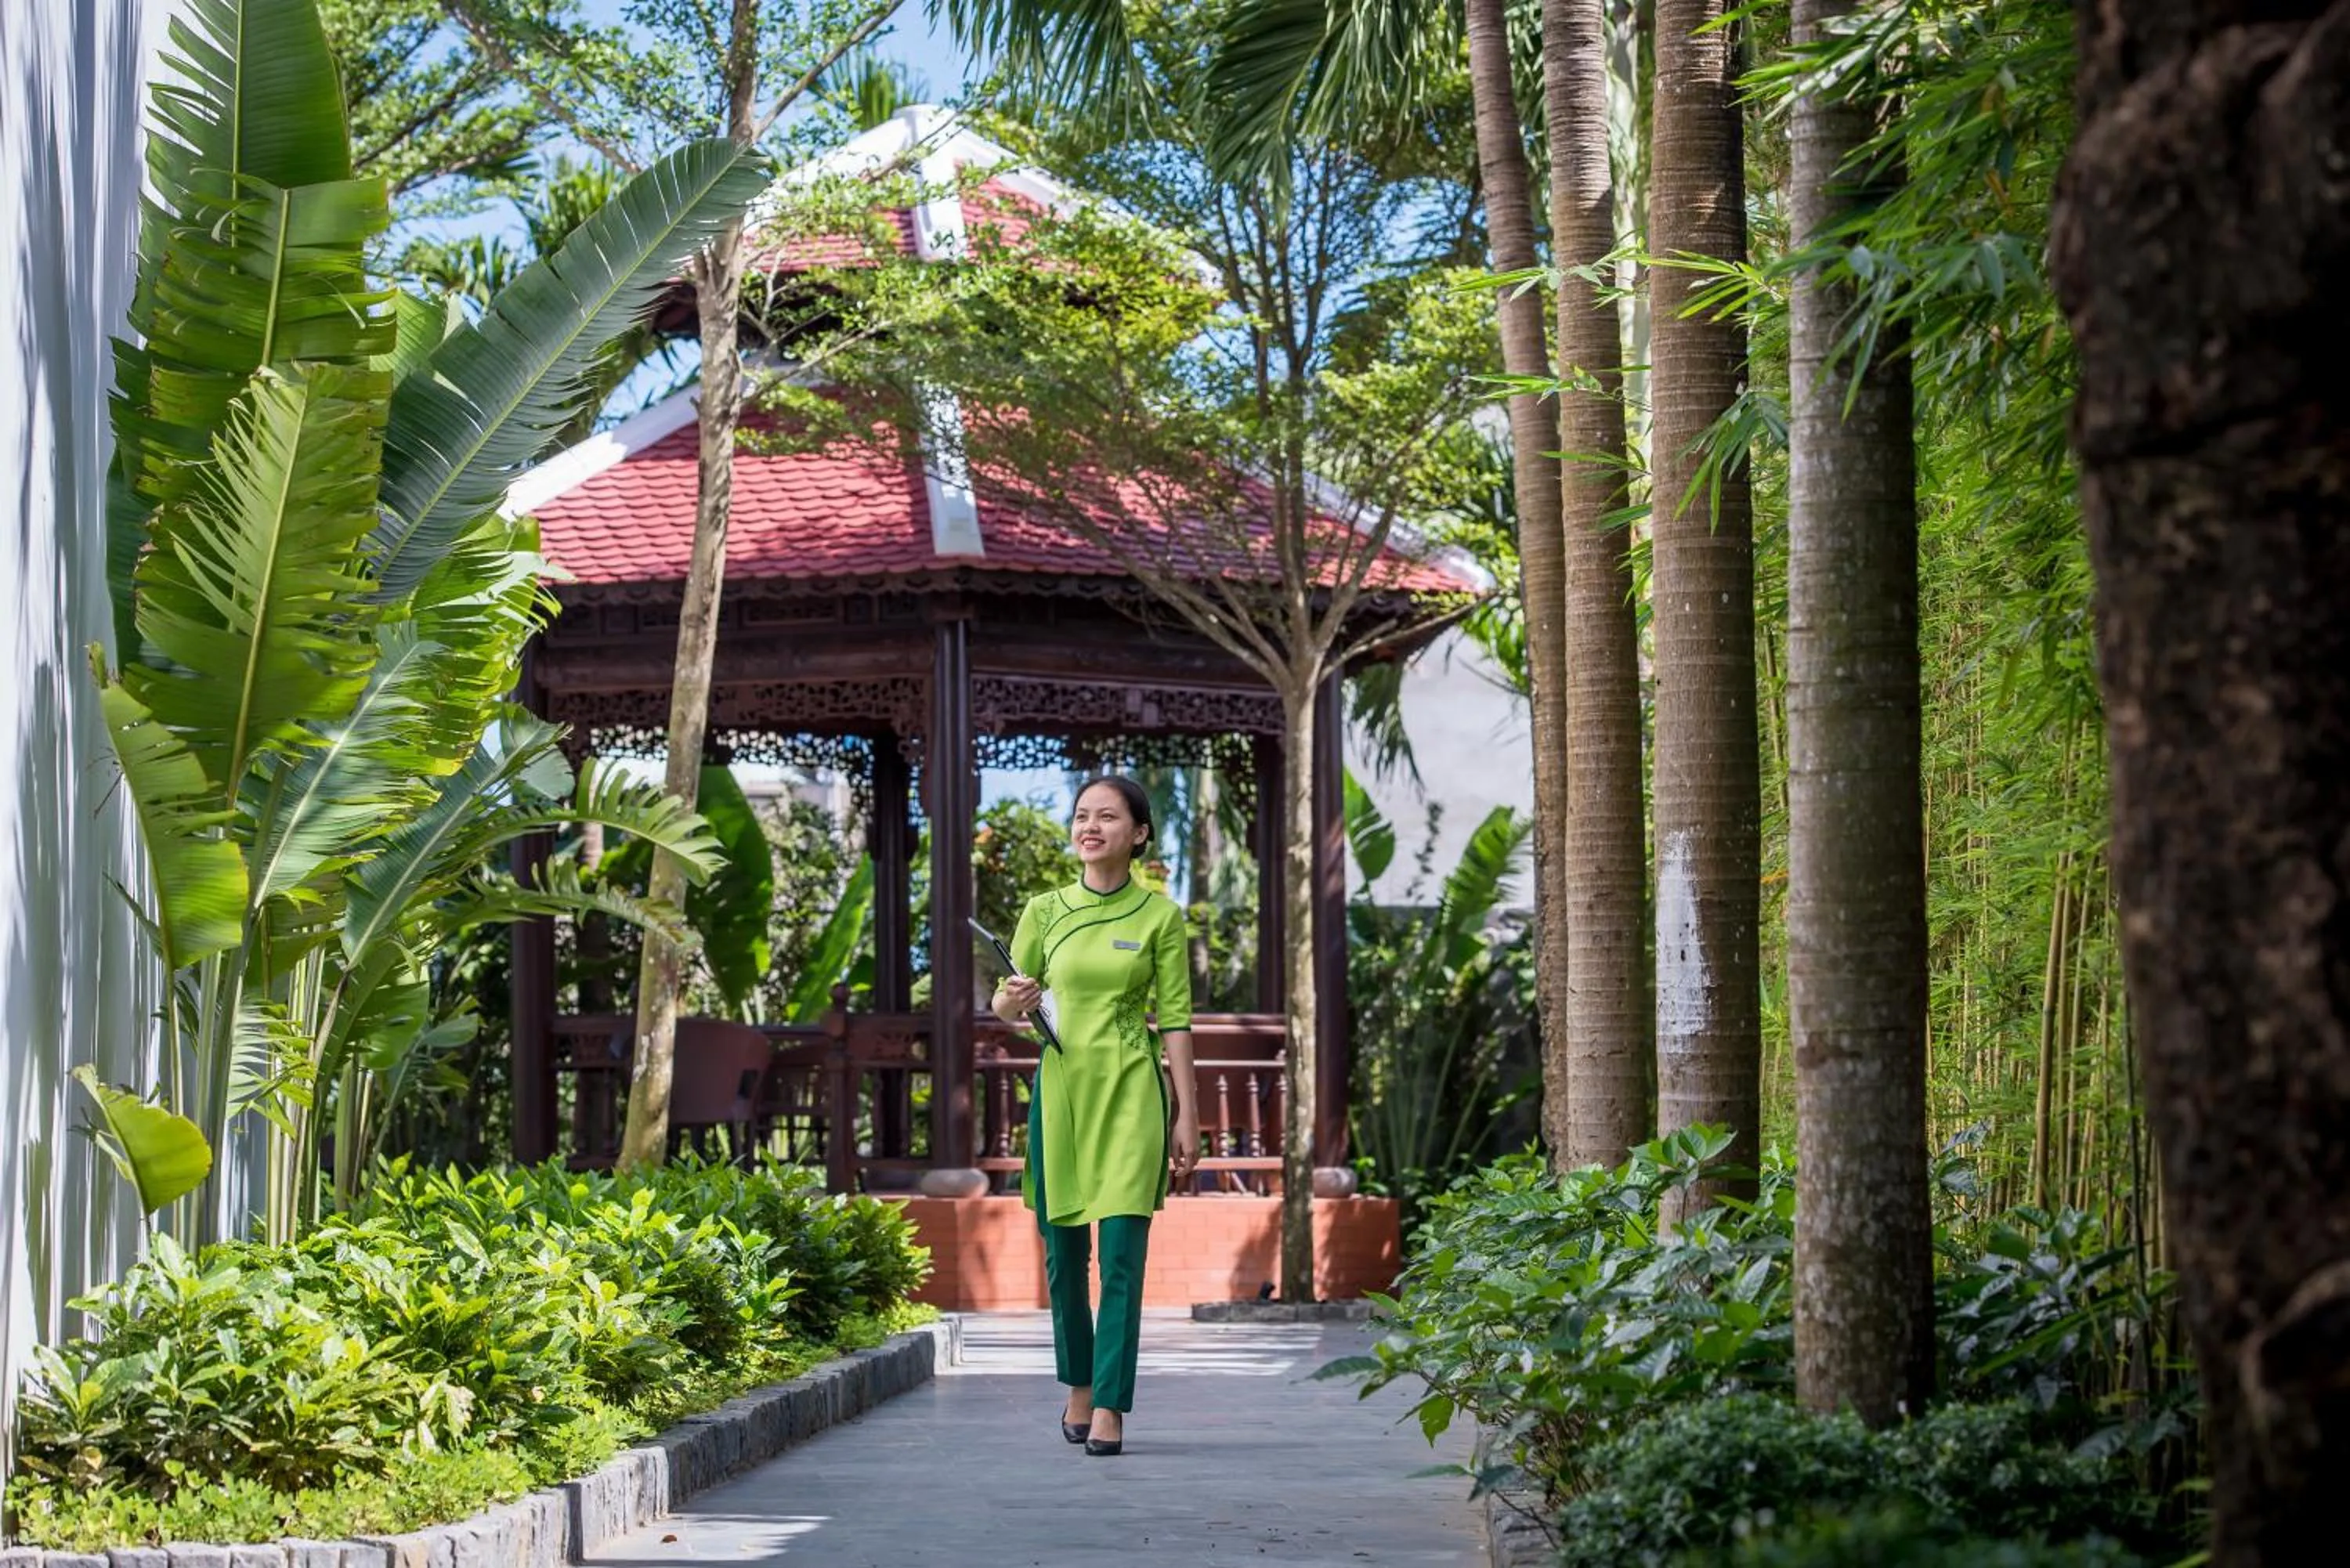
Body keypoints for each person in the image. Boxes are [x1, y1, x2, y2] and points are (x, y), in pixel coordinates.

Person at [991, 775, 1201, 1457]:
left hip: (1132, 1093)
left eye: (1107, 817)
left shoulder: (1159, 917)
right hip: (1061, 1096)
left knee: (1119, 1259)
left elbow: (1176, 1021)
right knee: (1063, 1258)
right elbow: (1004, 1004)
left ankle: (1109, 1403)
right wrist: (1016, 999)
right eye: (1082, 815)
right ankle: (1078, 1385)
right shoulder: (1044, 910)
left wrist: (1187, 1116)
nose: (1090, 827)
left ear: (1138, 834)